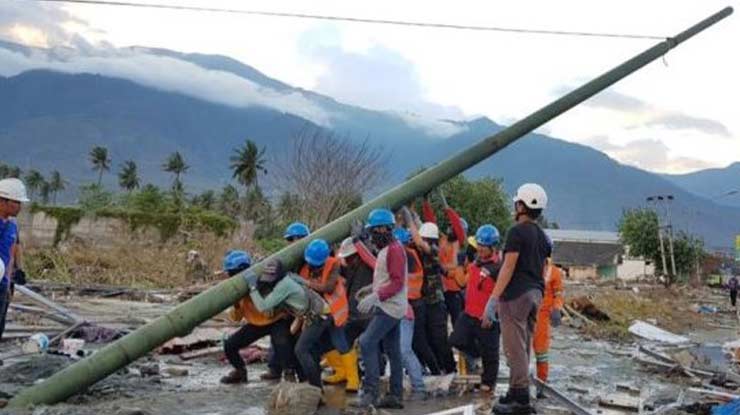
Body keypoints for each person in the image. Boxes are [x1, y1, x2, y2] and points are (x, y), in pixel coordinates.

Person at [489, 183, 550, 415]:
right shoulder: (543, 236)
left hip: (516, 295)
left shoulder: (516, 232)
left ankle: (521, 399)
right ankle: (515, 391)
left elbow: (508, 266)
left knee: (513, 347)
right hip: (536, 293)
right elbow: (543, 267)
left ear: (521, 205)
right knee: (523, 345)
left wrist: (493, 298)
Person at [247, 258, 333, 391]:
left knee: (301, 350)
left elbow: (263, 306)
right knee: (307, 349)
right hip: (317, 313)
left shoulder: (284, 285)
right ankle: (311, 382)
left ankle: (316, 388)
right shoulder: (288, 278)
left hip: (319, 317)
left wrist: (252, 288)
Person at [351, 209, 407, 409]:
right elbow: (386, 277)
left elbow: (397, 282)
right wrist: (371, 289)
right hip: (391, 305)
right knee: (393, 351)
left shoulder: (394, 250)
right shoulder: (387, 249)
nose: (373, 235)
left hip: (390, 307)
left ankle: (370, 393)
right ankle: (395, 395)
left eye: (375, 231)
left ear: (385, 229)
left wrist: (376, 296)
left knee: (366, 342)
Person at [219, 250, 294, 384]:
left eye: (231, 273)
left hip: (277, 319)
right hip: (257, 323)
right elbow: (236, 318)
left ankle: (288, 373)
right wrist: (236, 303)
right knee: (230, 345)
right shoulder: (236, 290)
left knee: (282, 345)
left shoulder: (264, 279)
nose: (229, 276)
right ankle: (240, 371)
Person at [299, 239, 358, 393]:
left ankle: (353, 379)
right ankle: (341, 372)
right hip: (321, 311)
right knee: (330, 343)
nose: (313, 266)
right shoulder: (306, 268)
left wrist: (306, 283)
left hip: (334, 310)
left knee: (340, 342)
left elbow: (329, 287)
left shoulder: (333, 264)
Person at [450, 224, 502, 394]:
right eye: (478, 245)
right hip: (469, 314)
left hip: (487, 318)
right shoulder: (474, 265)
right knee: (456, 340)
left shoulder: (498, 268)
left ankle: (488, 386)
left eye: (483, 246)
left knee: (491, 354)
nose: (479, 249)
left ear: (493, 247)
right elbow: (461, 283)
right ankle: (476, 357)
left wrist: (494, 314)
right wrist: (459, 264)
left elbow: (503, 294)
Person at [260, 221, 313, 381]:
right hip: (285, 304)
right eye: (291, 239)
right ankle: (276, 368)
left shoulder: (310, 258)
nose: (294, 242)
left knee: (299, 341)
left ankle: (302, 373)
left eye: (298, 238)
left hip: (303, 305)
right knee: (278, 337)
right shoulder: (283, 260)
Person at [408, 215, 456, 374]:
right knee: (424, 338)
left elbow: (421, 243)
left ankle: (450, 369)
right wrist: (413, 216)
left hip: (435, 302)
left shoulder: (434, 251)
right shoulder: (418, 251)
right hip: (422, 302)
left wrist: (409, 218)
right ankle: (433, 369)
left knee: (439, 339)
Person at [324, 237, 373, 391]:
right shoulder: (351, 266)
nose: (346, 260)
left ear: (357, 255)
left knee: (371, 348)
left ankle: (371, 380)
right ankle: (348, 374)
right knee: (341, 343)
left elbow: (370, 256)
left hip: (368, 314)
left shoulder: (367, 265)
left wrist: (361, 240)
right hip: (352, 314)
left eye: (349, 257)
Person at [393, 226, 430, 400]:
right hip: (408, 305)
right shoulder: (410, 254)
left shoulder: (405, 256)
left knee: (404, 349)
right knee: (402, 349)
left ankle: (419, 386)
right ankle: (410, 380)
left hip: (408, 307)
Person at [532, 236, 564, 397]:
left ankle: (541, 387)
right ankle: (518, 386)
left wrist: (557, 309)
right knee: (519, 353)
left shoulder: (554, 272)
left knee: (541, 353)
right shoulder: (528, 267)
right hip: (526, 315)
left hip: (542, 318)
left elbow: (558, 294)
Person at [0, 178, 28, 339]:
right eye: (16, 202)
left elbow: (11, 253)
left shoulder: (12, 225)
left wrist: (11, 280)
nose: (20, 206)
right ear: (3, 201)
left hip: (2, 284)